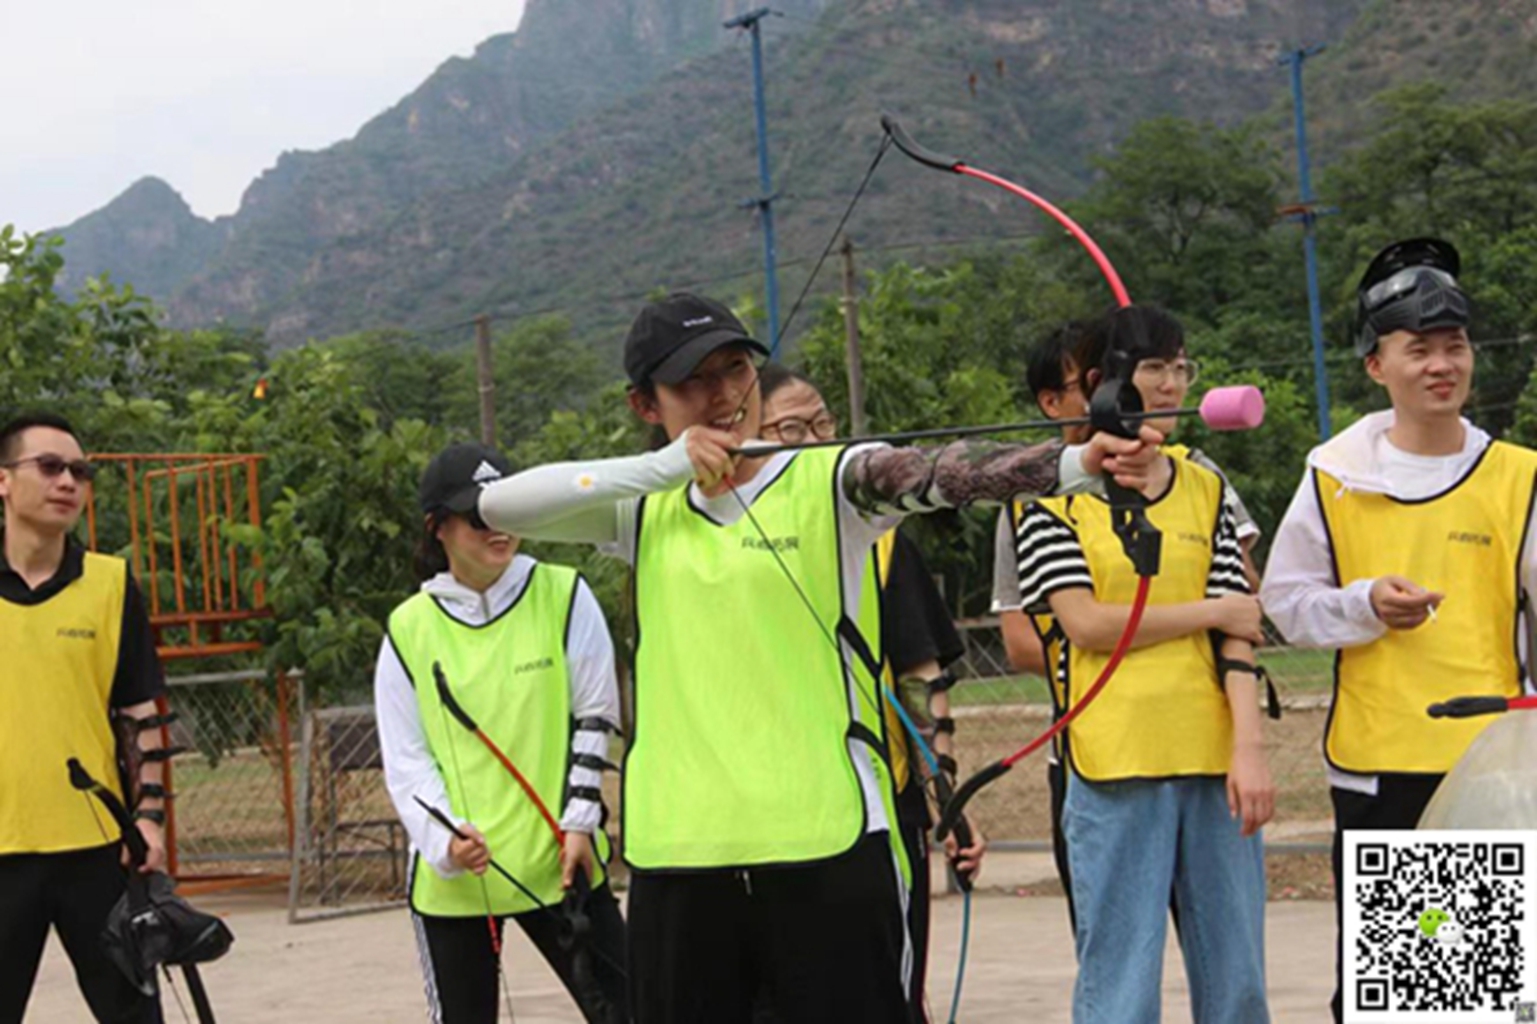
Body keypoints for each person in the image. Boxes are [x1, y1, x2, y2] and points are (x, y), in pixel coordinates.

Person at [476, 291, 1160, 1024]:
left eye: (735, 369)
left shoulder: (830, 479)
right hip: (681, 852)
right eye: (692, 381)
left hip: (824, 844)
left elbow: (940, 472)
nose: (724, 395)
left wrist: (1076, 462)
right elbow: (498, 505)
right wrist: (663, 469)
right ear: (646, 404)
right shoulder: (640, 505)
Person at [1259, 237, 1537, 1023]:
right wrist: (1362, 605)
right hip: (1378, 765)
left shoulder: (1517, 476)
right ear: (1376, 366)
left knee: (1473, 993)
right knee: (1389, 999)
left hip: (1488, 765)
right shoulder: (1335, 475)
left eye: (1453, 347)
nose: (1440, 365)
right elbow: (1284, 603)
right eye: (1417, 350)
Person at [1014, 305, 1274, 1023]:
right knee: (1121, 985)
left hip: (1213, 756)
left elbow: (1242, 626)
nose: (1170, 383)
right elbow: (1087, 626)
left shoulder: (1202, 482)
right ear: (1103, 384)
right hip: (1112, 762)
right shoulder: (1045, 492)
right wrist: (1210, 613)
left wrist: (1248, 748)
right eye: (1152, 367)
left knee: (1238, 981)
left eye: (1179, 366)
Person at [757, 362, 986, 1022]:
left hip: (880, 806)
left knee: (886, 991)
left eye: (825, 424)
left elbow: (919, 672)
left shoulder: (878, 542)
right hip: (766, 813)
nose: (819, 441)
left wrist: (943, 794)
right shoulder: (717, 548)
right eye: (793, 428)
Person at [375, 442, 627, 1024]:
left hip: (561, 859)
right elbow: (407, 761)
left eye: (507, 510)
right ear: (437, 527)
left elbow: (596, 716)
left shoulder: (563, 594)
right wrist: (446, 841)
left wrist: (581, 824)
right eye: (478, 515)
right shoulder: (408, 629)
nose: (498, 529)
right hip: (460, 876)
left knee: (630, 1010)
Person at [0, 412, 169, 1024]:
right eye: (48, 467)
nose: (67, 481)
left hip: (98, 849)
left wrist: (148, 819)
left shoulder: (111, 583)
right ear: (3, 481)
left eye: (79, 471)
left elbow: (139, 713)